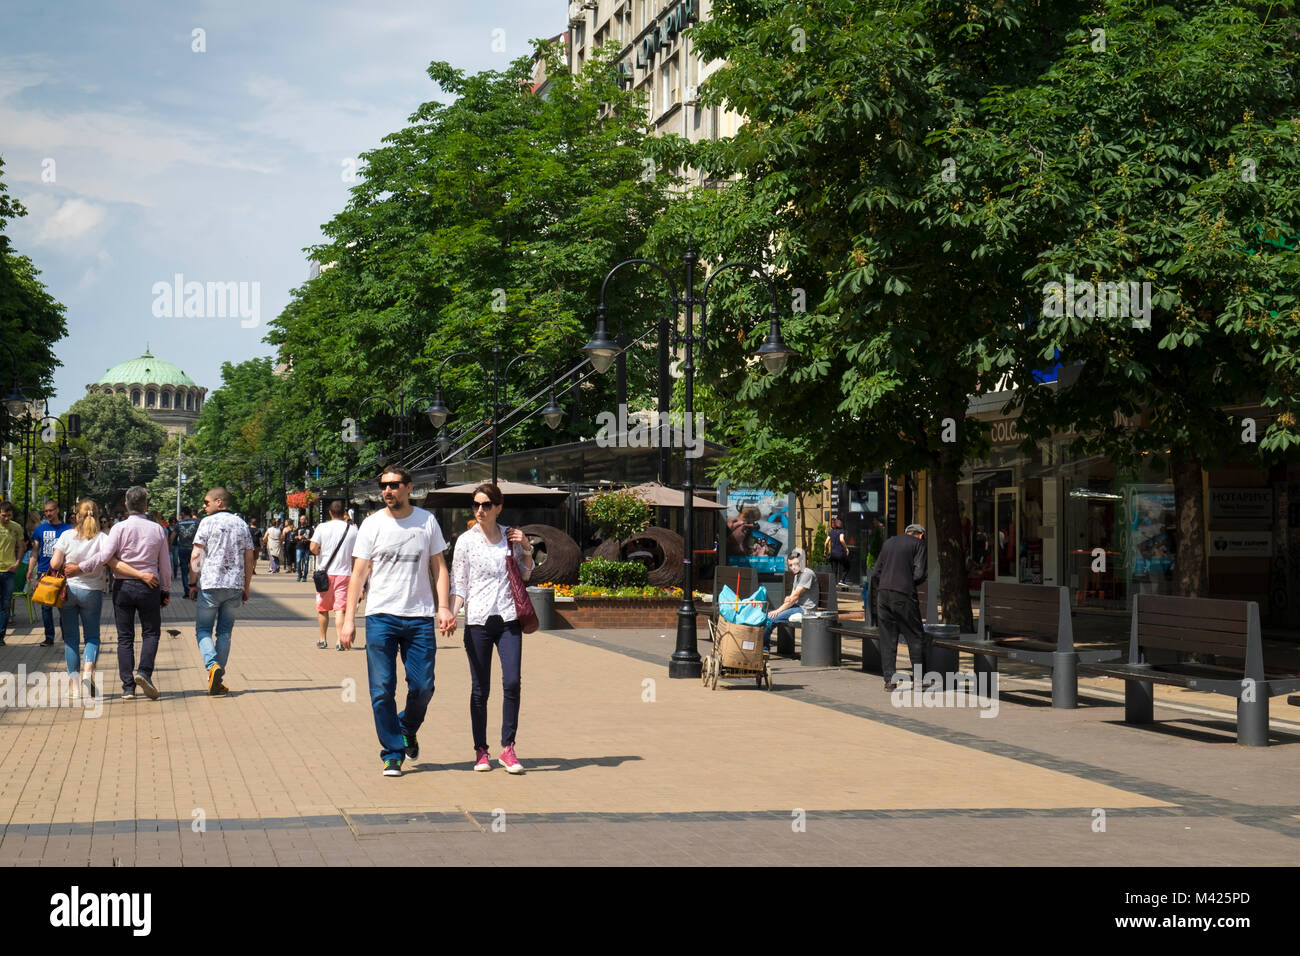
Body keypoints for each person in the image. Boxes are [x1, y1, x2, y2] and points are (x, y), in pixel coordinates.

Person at [340, 467, 453, 777]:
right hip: (380, 617)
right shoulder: (372, 524)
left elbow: (439, 567)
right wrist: (349, 620)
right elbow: (359, 574)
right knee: (381, 691)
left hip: (418, 617)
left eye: (394, 485)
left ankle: (406, 727)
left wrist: (444, 607)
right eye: (384, 486)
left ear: (408, 488)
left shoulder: (426, 521)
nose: (388, 491)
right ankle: (392, 753)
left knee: (423, 687)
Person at [450, 483, 534, 774]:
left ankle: (508, 748)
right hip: (477, 622)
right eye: (476, 505)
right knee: (480, 689)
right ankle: (481, 750)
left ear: (499, 507)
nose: (480, 510)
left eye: (486, 505)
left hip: (509, 617)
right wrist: (451, 611)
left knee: (512, 682)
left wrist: (526, 548)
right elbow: (459, 583)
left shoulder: (511, 536)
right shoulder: (465, 541)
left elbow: (524, 575)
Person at [88, 486, 171, 700]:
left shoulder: (118, 528)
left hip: (123, 587)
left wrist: (82, 566)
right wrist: (166, 590)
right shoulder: (158, 529)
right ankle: (144, 672)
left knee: (124, 637)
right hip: (149, 586)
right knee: (151, 633)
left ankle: (127, 687)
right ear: (146, 505)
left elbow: (105, 556)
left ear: (126, 504)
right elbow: (165, 566)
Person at [187, 488, 255, 695]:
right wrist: (246, 586)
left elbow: (197, 554)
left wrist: (192, 583)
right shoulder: (242, 524)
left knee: (203, 630)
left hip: (210, 584)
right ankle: (218, 676)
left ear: (219, 502)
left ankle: (212, 666)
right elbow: (249, 559)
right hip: (234, 585)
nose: (204, 506)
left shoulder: (206, 523)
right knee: (225, 632)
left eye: (206, 502)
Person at [50, 500, 111, 699]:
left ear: (77, 516)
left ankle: (75, 687)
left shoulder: (67, 535)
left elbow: (55, 562)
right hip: (92, 591)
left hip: (68, 591)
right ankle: (88, 671)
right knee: (92, 636)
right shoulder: (102, 538)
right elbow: (108, 560)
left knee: (71, 639)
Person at [875, 523, 929, 691]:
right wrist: (908, 582)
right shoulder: (918, 544)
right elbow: (920, 573)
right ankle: (919, 680)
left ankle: (889, 681)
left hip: (883, 594)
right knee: (915, 635)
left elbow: (877, 571)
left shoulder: (888, 543)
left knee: (887, 637)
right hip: (903, 594)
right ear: (920, 535)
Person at [310, 499, 357, 650]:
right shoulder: (353, 530)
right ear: (344, 513)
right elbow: (357, 554)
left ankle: (323, 639)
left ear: (330, 512)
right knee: (340, 609)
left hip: (325, 574)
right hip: (345, 574)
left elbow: (313, 548)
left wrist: (320, 553)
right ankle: (339, 641)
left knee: (323, 608)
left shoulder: (322, 527)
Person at [28, 500, 73, 646]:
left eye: (51, 510)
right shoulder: (39, 530)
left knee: (62, 606)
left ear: (57, 510)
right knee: (45, 606)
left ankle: (66, 636)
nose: (48, 514)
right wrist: (30, 570)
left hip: (61, 572)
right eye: (46, 511)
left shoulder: (68, 529)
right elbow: (35, 551)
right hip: (43, 572)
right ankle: (49, 637)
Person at [762, 547, 819, 653]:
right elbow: (792, 596)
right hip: (797, 607)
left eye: (796, 564)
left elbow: (795, 596)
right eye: (790, 565)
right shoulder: (798, 575)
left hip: (805, 609)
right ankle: (763, 647)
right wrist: (789, 599)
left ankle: (764, 650)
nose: (793, 567)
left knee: (771, 618)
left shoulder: (807, 574)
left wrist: (778, 610)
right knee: (767, 616)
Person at [0, 501, 28, 647]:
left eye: (9, 516)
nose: (6, 519)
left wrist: (18, 562)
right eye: (4, 515)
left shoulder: (16, 527)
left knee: (5, 604)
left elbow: (21, 547)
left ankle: (1, 635)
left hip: (9, 571)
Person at [173, 507, 199, 594]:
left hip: (182, 549)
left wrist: (169, 547)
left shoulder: (179, 524)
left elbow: (172, 537)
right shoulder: (197, 522)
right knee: (195, 569)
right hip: (194, 549)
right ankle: (194, 589)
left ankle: (187, 591)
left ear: (183, 513)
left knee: (184, 571)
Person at [824, 516, 849, 585]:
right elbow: (841, 539)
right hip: (840, 553)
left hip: (833, 554)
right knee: (847, 566)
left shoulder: (831, 532)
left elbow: (826, 542)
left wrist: (825, 550)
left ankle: (834, 583)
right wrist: (846, 548)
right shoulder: (841, 531)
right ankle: (842, 580)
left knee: (834, 569)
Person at [295, 513, 313, 582]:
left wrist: (307, 539)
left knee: (306, 562)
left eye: (303, 519)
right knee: (298, 561)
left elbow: (313, 538)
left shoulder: (310, 529)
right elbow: (294, 537)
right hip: (299, 547)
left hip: (307, 547)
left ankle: (305, 576)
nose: (302, 520)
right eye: (301, 519)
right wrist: (298, 537)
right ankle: (299, 575)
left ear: (306, 520)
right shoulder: (298, 528)